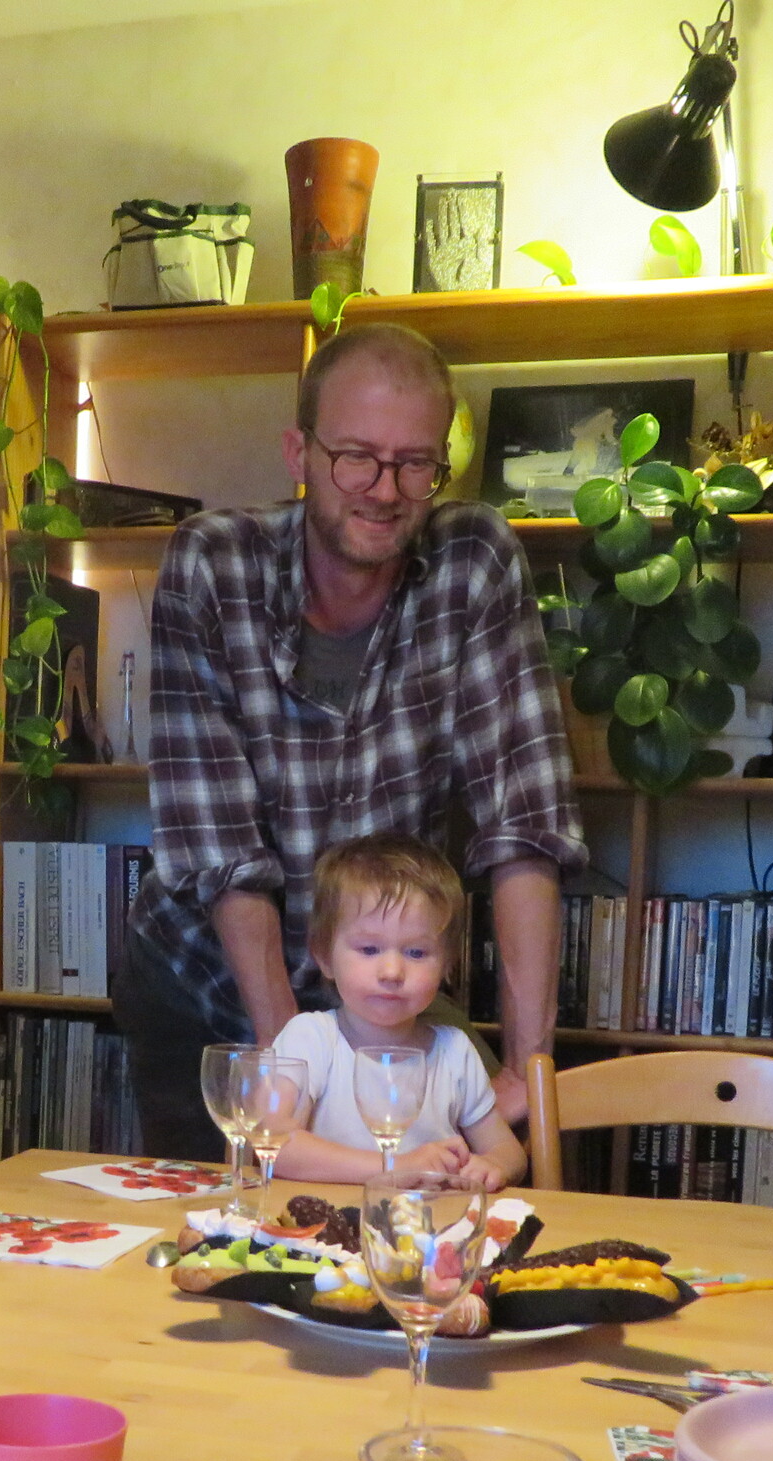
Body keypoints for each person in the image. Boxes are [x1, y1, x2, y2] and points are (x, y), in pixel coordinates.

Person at [118, 322, 587, 1160]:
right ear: (299, 453)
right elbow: (224, 852)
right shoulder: (213, 564)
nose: (385, 489)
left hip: (389, 978)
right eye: (356, 459)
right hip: (205, 975)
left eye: (415, 464)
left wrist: (527, 1067)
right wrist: (294, 1068)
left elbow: (526, 823)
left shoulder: (474, 561)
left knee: (456, 1202)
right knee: (229, 1219)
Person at [267, 837, 526, 1191]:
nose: (392, 972)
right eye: (369, 949)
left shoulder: (454, 1051)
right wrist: (394, 1168)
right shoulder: (310, 1038)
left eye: (416, 953)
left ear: (446, 965)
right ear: (324, 956)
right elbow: (274, 1145)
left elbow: (508, 1150)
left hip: (429, 1223)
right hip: (325, 1221)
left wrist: (493, 1166)